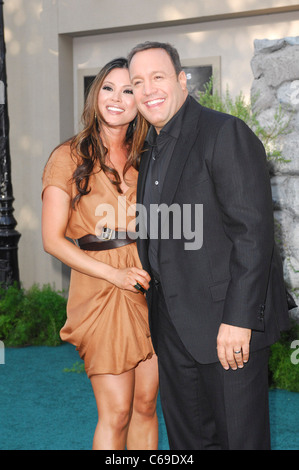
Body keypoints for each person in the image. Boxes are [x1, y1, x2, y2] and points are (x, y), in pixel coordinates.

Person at [127, 41, 290, 450]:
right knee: (189, 443)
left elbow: (252, 235)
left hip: (227, 327)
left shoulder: (225, 132)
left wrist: (239, 321)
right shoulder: (149, 151)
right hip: (172, 328)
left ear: (182, 81)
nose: (148, 90)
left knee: (240, 441)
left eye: (158, 77)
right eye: (137, 82)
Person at [41, 57, 159, 450]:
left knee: (146, 405)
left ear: (139, 100)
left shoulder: (150, 155)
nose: (117, 98)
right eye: (109, 87)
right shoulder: (68, 157)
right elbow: (52, 240)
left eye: (129, 90)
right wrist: (115, 276)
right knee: (118, 411)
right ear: (95, 95)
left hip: (151, 285)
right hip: (102, 289)